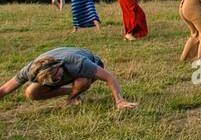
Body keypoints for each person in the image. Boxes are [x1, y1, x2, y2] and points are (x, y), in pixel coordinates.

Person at [0, 47, 136, 110]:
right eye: (51, 79)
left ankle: (73, 96)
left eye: (56, 73)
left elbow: (108, 77)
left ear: (58, 66)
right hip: (67, 68)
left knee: (82, 81)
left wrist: (120, 101)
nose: (57, 78)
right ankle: (71, 92)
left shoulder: (76, 62)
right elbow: (5, 88)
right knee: (31, 93)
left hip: (88, 65)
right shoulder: (29, 71)